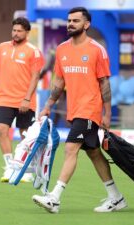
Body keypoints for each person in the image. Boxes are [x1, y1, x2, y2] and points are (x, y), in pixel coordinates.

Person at [32, 7, 126, 213]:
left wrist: (108, 114)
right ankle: (116, 197)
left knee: (70, 149)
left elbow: (105, 84)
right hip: (74, 110)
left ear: (86, 24)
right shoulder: (62, 49)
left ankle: (54, 198)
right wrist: (48, 106)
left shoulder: (97, 50)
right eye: (69, 20)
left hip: (90, 109)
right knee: (93, 153)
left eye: (75, 20)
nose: (70, 24)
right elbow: (58, 82)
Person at [0, 17, 45, 182]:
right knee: (1, 129)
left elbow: (35, 77)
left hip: (24, 100)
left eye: (19, 31)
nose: (15, 33)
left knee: (25, 135)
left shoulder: (34, 51)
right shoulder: (2, 47)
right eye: (14, 30)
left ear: (27, 32)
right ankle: (9, 167)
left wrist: (26, 99)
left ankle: (27, 169)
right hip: (4, 98)